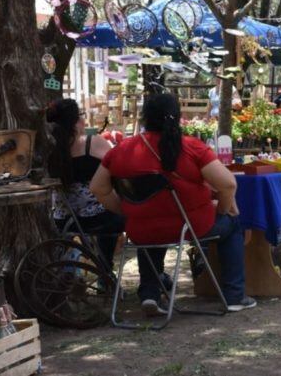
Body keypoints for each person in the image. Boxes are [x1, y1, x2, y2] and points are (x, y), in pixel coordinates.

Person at [90, 94, 256, 315]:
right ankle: (234, 296)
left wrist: (126, 209)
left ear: (145, 117)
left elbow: (97, 188)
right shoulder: (191, 147)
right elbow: (227, 184)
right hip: (189, 225)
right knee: (231, 225)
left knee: (148, 231)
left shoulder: (121, 150)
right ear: (177, 117)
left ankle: (150, 293)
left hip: (141, 228)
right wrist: (223, 209)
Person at [46, 99, 125, 273]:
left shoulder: (47, 150)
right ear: (75, 121)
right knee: (118, 213)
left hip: (62, 219)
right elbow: (121, 168)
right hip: (97, 219)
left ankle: (72, 271)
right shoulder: (92, 143)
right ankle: (105, 269)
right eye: (81, 116)